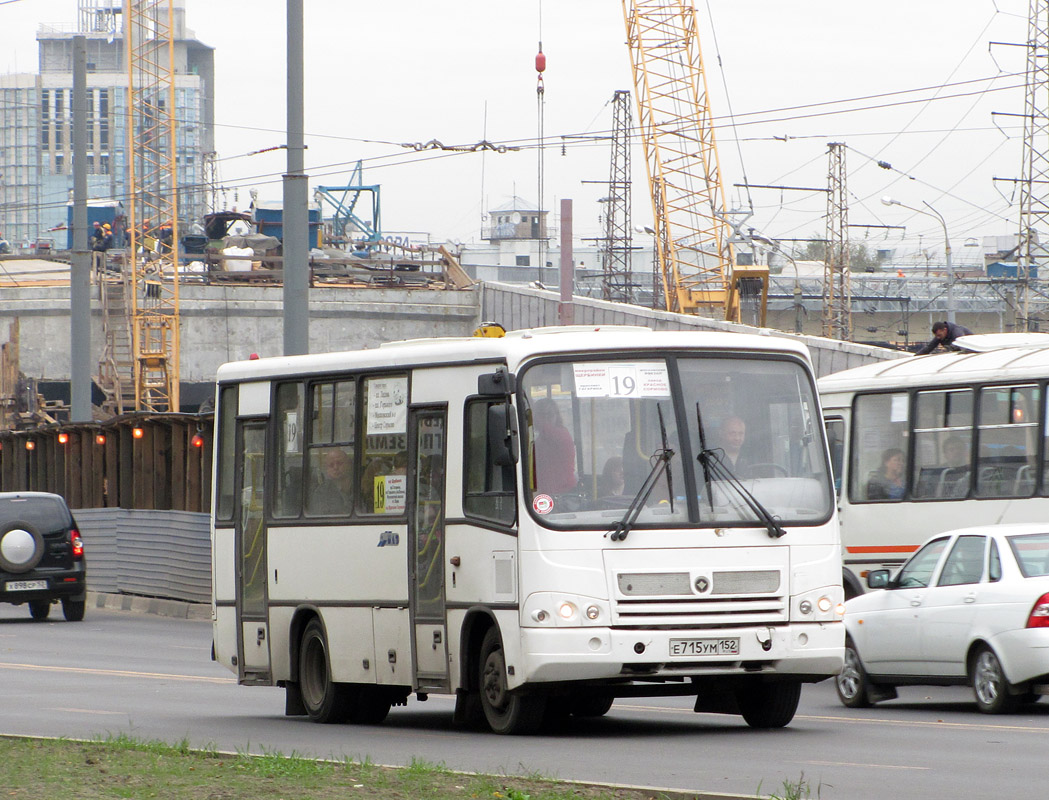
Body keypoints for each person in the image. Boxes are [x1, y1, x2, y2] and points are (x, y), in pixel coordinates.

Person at [532, 398, 576, 494]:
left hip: (561, 491)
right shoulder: (544, 436)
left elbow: (541, 424)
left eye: (550, 415)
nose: (547, 418)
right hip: (548, 489)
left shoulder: (559, 434)